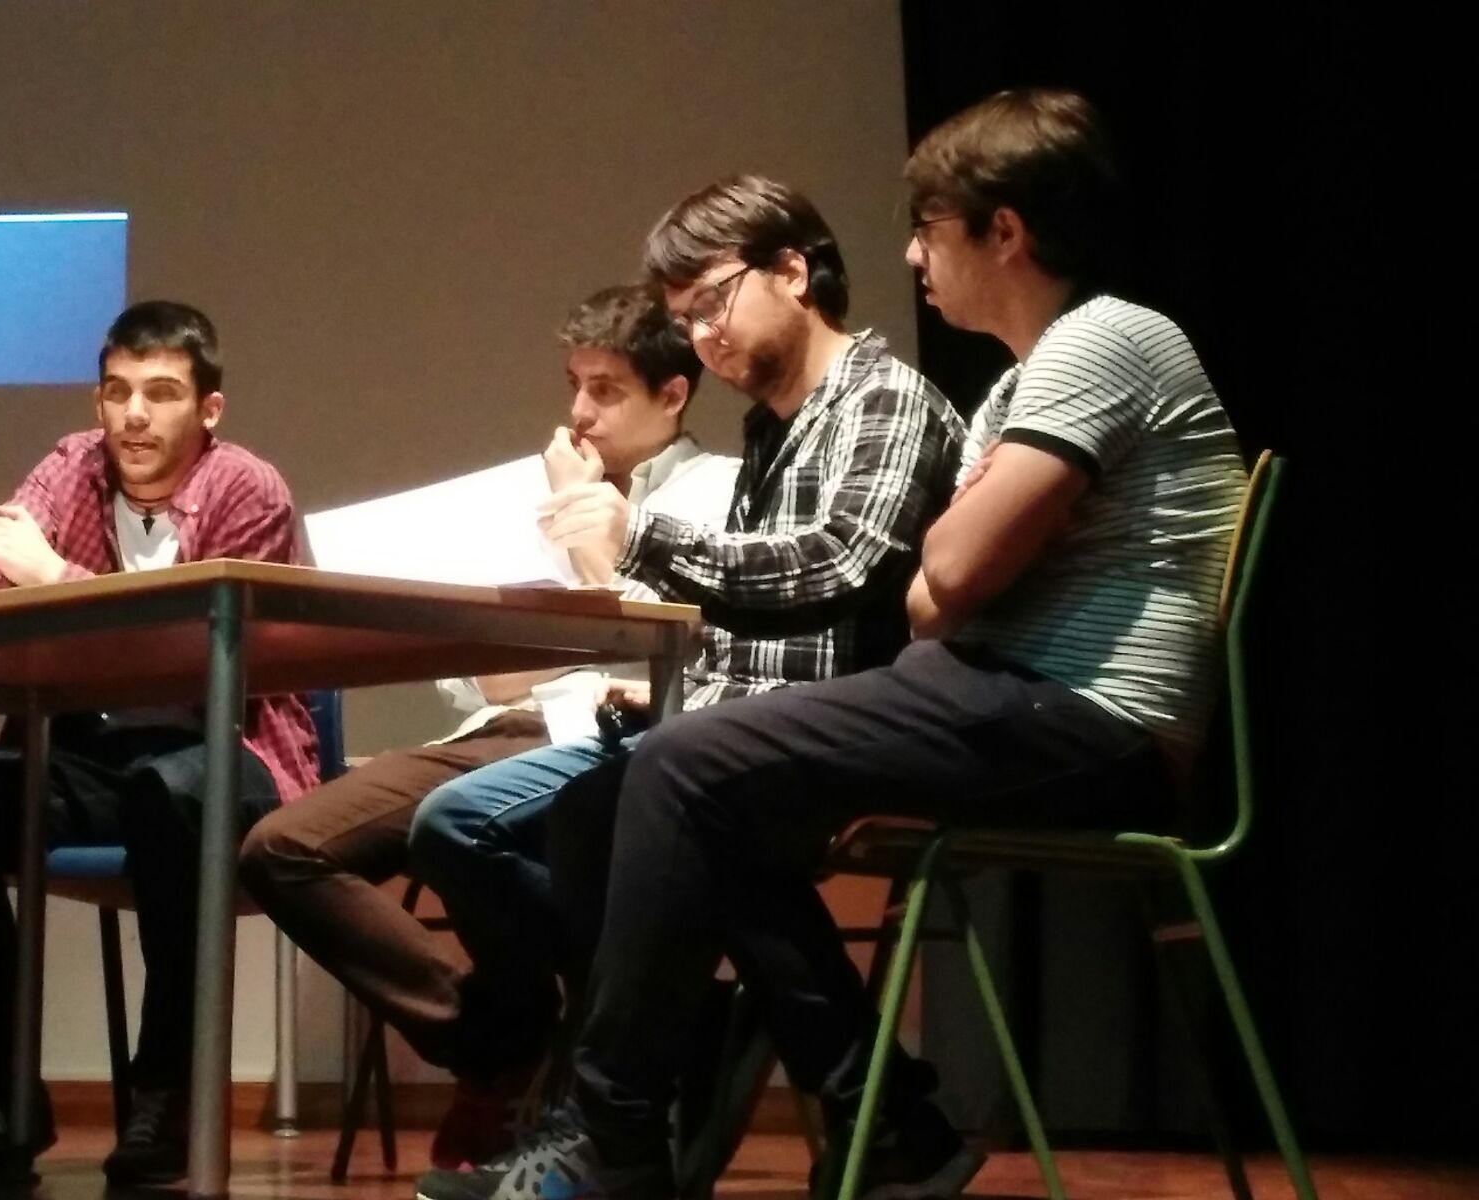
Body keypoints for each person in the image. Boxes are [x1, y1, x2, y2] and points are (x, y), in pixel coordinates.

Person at [415, 88, 1248, 1200]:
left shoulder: (1104, 340)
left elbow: (936, 575)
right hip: (1016, 691)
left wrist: (643, 539)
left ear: (1004, 230)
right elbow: (935, 596)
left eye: (929, 228)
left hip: (1088, 716)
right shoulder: (1020, 381)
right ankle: (889, 1129)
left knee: (683, 769)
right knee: (685, 799)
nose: (910, 253)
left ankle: (615, 1143)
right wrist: (961, 553)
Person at [404, 175, 961, 1163]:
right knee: (603, 806)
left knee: (673, 796)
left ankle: (618, 1127)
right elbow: (748, 624)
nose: (702, 338)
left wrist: (637, 537)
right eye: (686, 319)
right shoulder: (774, 427)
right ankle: (847, 1117)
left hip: (863, 727)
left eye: (712, 303)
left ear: (793, 272)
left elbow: (839, 567)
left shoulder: (884, 398)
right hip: (761, 729)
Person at [238, 283, 739, 1169]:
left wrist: (591, 554)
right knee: (282, 848)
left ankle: (572, 1053)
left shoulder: (720, 493)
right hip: (495, 728)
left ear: (672, 395)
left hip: (612, 733)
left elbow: (686, 655)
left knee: (462, 833)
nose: (580, 414)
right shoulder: (532, 494)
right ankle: (502, 1044)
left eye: (607, 391)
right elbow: (479, 675)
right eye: (574, 386)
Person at [0, 300, 318, 1186]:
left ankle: (165, 1095)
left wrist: (52, 577)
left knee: (169, 795)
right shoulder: (71, 468)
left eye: (160, 393)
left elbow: (204, 656)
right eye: (118, 392)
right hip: (92, 754)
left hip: (229, 748)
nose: (133, 415)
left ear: (208, 409)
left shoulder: (248, 489)